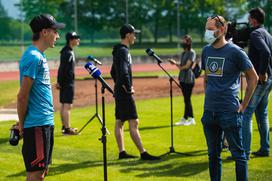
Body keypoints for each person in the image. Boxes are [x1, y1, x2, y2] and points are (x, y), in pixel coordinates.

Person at [201, 15, 258, 180]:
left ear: (222, 29)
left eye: (211, 29)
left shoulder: (235, 52)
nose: (208, 33)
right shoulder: (206, 50)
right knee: (213, 156)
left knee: (239, 156)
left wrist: (244, 105)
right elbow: (206, 77)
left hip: (229, 113)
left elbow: (252, 77)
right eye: (206, 29)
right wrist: (210, 96)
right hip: (209, 113)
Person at [17, 14, 65, 180]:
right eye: (55, 31)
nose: (58, 36)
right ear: (45, 32)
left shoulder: (39, 56)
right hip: (37, 124)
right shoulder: (33, 57)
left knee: (42, 172)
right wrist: (22, 125)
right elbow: (22, 96)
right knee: (35, 174)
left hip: (44, 122)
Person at [110, 24, 160, 160]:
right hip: (124, 92)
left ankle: (122, 152)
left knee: (119, 121)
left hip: (119, 90)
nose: (135, 37)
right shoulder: (124, 51)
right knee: (134, 122)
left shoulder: (118, 50)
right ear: (128, 35)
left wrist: (118, 85)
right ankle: (143, 153)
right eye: (134, 34)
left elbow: (113, 72)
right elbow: (124, 71)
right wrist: (127, 87)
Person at [242, 7, 272, 158]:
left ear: (254, 19)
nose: (248, 20)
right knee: (262, 114)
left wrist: (262, 72)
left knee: (246, 112)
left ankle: (244, 153)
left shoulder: (255, 34)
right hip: (269, 80)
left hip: (261, 80)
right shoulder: (267, 33)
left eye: (249, 18)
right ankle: (265, 149)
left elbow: (265, 52)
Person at [168, 35, 196, 126]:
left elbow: (187, 66)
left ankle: (191, 118)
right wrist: (175, 63)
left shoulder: (192, 53)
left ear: (189, 42)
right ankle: (185, 118)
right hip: (183, 78)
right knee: (186, 99)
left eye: (185, 41)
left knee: (187, 99)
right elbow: (182, 65)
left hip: (189, 78)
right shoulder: (183, 53)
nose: (183, 43)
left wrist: (178, 65)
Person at [56, 32, 80, 135]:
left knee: (64, 105)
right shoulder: (68, 52)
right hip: (67, 83)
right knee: (67, 106)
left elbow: (62, 68)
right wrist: (59, 82)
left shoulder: (67, 51)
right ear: (71, 40)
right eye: (76, 38)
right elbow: (62, 69)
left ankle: (64, 126)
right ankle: (67, 128)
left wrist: (59, 81)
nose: (78, 40)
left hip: (65, 82)